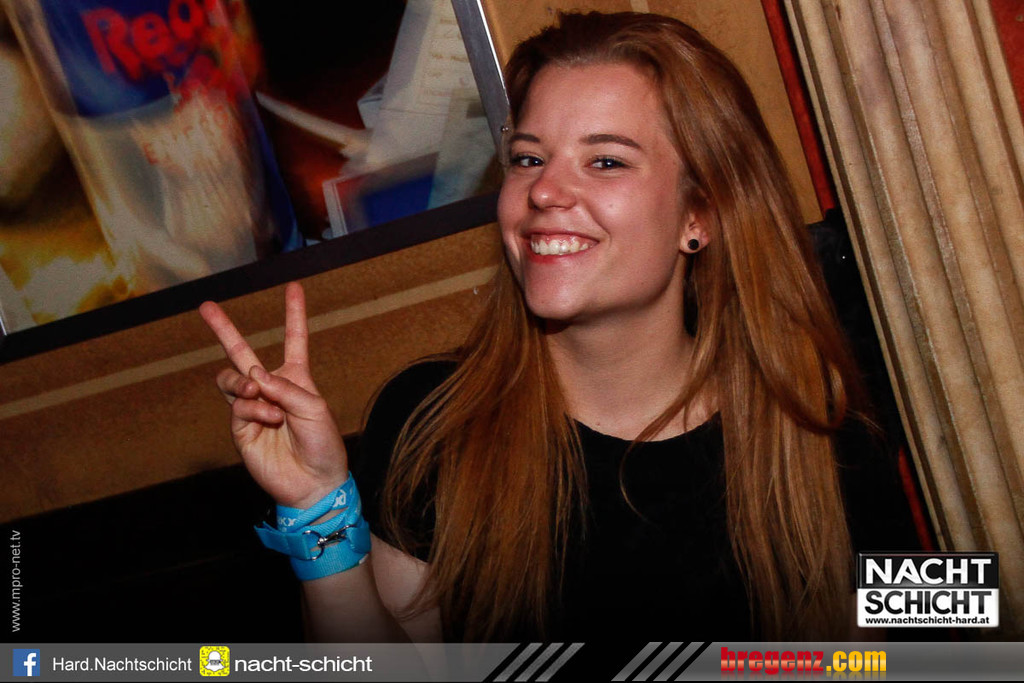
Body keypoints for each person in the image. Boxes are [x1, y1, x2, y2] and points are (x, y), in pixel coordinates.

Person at [201, 11, 917, 643]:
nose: (544, 189)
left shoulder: (825, 425)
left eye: (605, 160)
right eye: (528, 158)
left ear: (699, 215)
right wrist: (316, 512)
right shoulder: (431, 418)